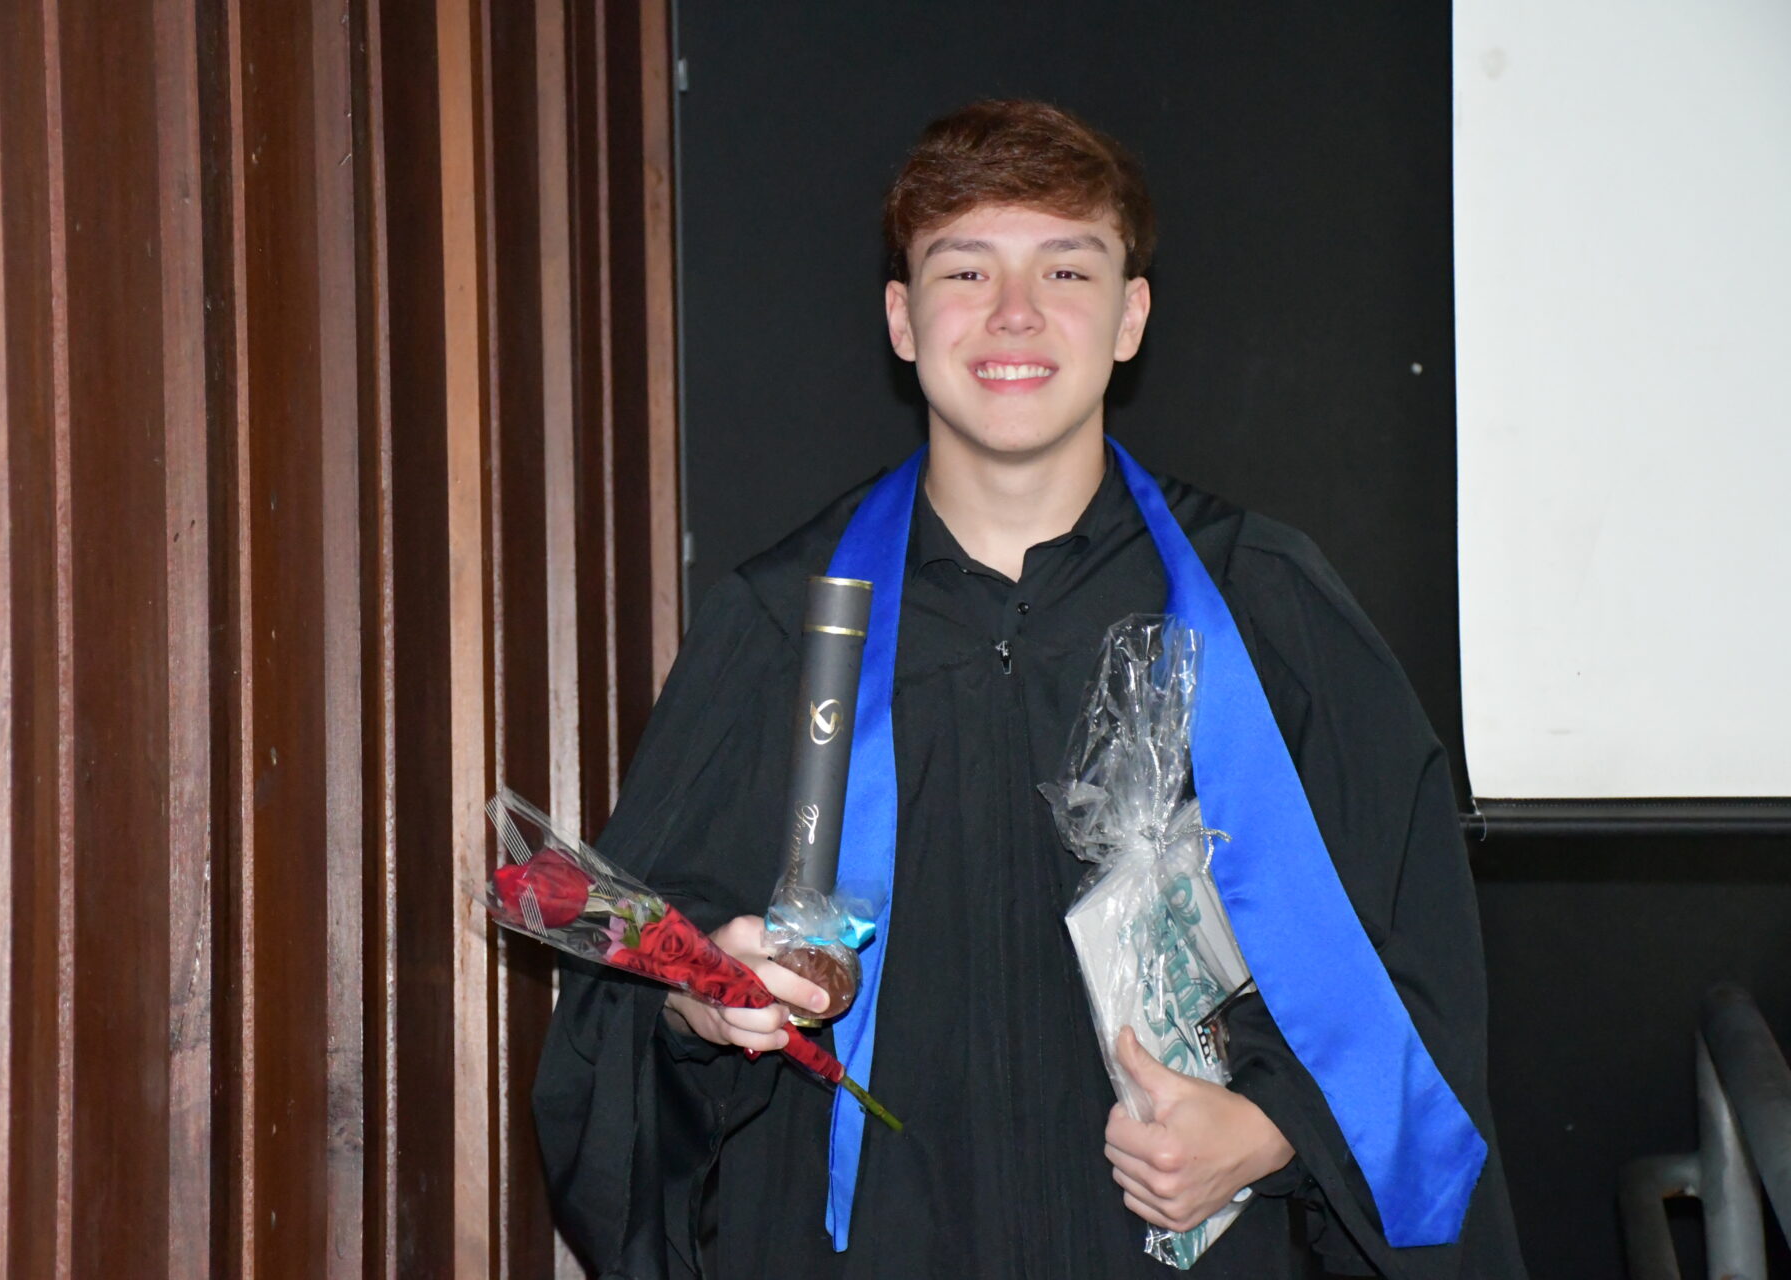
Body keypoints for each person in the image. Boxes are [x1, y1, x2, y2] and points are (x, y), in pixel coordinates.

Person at [534, 99, 1526, 1279]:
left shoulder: (1264, 606)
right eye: (966, 269)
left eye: (1066, 267)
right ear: (902, 319)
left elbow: (1413, 960)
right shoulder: (782, 627)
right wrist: (702, 997)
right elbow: (617, 1011)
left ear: (1130, 315)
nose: (1015, 311)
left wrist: (1273, 1128)